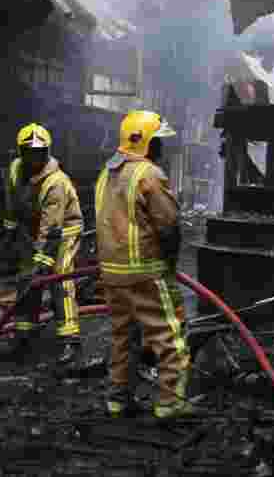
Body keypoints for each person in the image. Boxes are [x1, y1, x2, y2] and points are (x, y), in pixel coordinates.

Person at [95, 110, 190, 419]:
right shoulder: (149, 174)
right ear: (146, 142)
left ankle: (117, 400)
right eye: (158, 142)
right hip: (146, 273)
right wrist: (170, 264)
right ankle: (170, 402)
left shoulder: (107, 173)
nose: (161, 149)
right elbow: (169, 224)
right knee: (170, 336)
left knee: (123, 336)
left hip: (111, 275)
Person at [1, 123, 84, 365]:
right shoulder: (16, 169)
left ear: (47, 152)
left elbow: (52, 230)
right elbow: (12, 203)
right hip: (33, 229)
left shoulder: (56, 182)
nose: (35, 159)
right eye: (30, 154)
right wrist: (9, 233)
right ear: (21, 153)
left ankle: (70, 340)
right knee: (26, 280)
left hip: (63, 231)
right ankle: (24, 334)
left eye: (40, 154)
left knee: (59, 279)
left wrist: (43, 262)